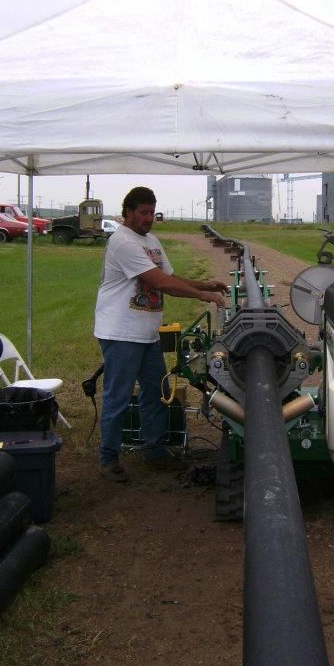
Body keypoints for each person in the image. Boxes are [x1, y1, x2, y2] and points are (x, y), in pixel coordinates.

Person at [94, 186, 227, 482]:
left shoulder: (151, 241)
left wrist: (205, 285)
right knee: (118, 396)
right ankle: (108, 458)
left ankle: (153, 451)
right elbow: (159, 283)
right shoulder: (122, 242)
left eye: (152, 212)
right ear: (128, 212)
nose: (149, 218)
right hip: (121, 333)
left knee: (156, 392)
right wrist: (201, 297)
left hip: (146, 334)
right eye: (143, 212)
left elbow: (169, 276)